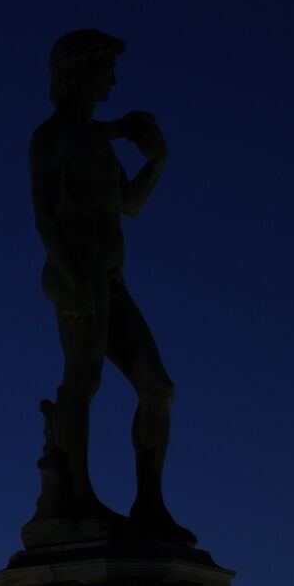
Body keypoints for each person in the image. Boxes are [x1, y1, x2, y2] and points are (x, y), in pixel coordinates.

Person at [28, 28, 191, 545]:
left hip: (111, 280)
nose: (114, 80)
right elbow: (46, 218)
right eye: (106, 70)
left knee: (157, 387)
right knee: (84, 379)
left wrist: (157, 161)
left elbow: (129, 205)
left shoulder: (98, 141)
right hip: (76, 275)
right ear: (82, 74)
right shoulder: (52, 137)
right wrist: (73, 281)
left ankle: (150, 505)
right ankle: (78, 496)